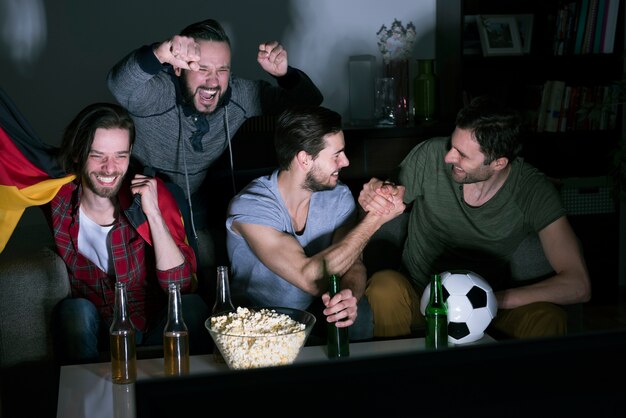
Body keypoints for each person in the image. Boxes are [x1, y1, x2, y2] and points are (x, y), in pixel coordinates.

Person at [106, 18, 324, 287]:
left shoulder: (237, 94)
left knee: (261, 187)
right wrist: (161, 52)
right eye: (202, 68)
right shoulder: (157, 92)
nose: (213, 81)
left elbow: (309, 104)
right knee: (171, 192)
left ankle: (262, 293)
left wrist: (284, 75)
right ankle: (191, 297)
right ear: (178, 69)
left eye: (222, 69)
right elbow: (119, 83)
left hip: (198, 192)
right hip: (145, 193)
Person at [359, 96, 591, 339]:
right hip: (420, 296)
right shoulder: (430, 156)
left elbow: (579, 285)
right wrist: (377, 193)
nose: (449, 157)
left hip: (486, 308)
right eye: (452, 145)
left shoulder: (532, 189)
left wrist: (490, 300)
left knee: (548, 318)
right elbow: (387, 194)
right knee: (384, 286)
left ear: (498, 163)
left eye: (462, 155)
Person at [48, 103, 211, 364]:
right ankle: (85, 399)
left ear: (130, 153)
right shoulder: (57, 201)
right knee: (73, 311)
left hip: (154, 329)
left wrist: (154, 214)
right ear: (78, 152)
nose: (110, 168)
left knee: (192, 307)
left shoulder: (148, 194)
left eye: (120, 156)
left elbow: (181, 286)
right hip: (98, 332)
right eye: (97, 154)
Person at [225, 106, 405, 341]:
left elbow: (354, 264)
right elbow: (309, 278)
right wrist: (374, 220)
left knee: (357, 315)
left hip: (314, 313)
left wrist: (348, 295)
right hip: (257, 320)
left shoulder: (338, 196)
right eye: (336, 155)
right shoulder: (251, 206)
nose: (346, 162)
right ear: (305, 159)